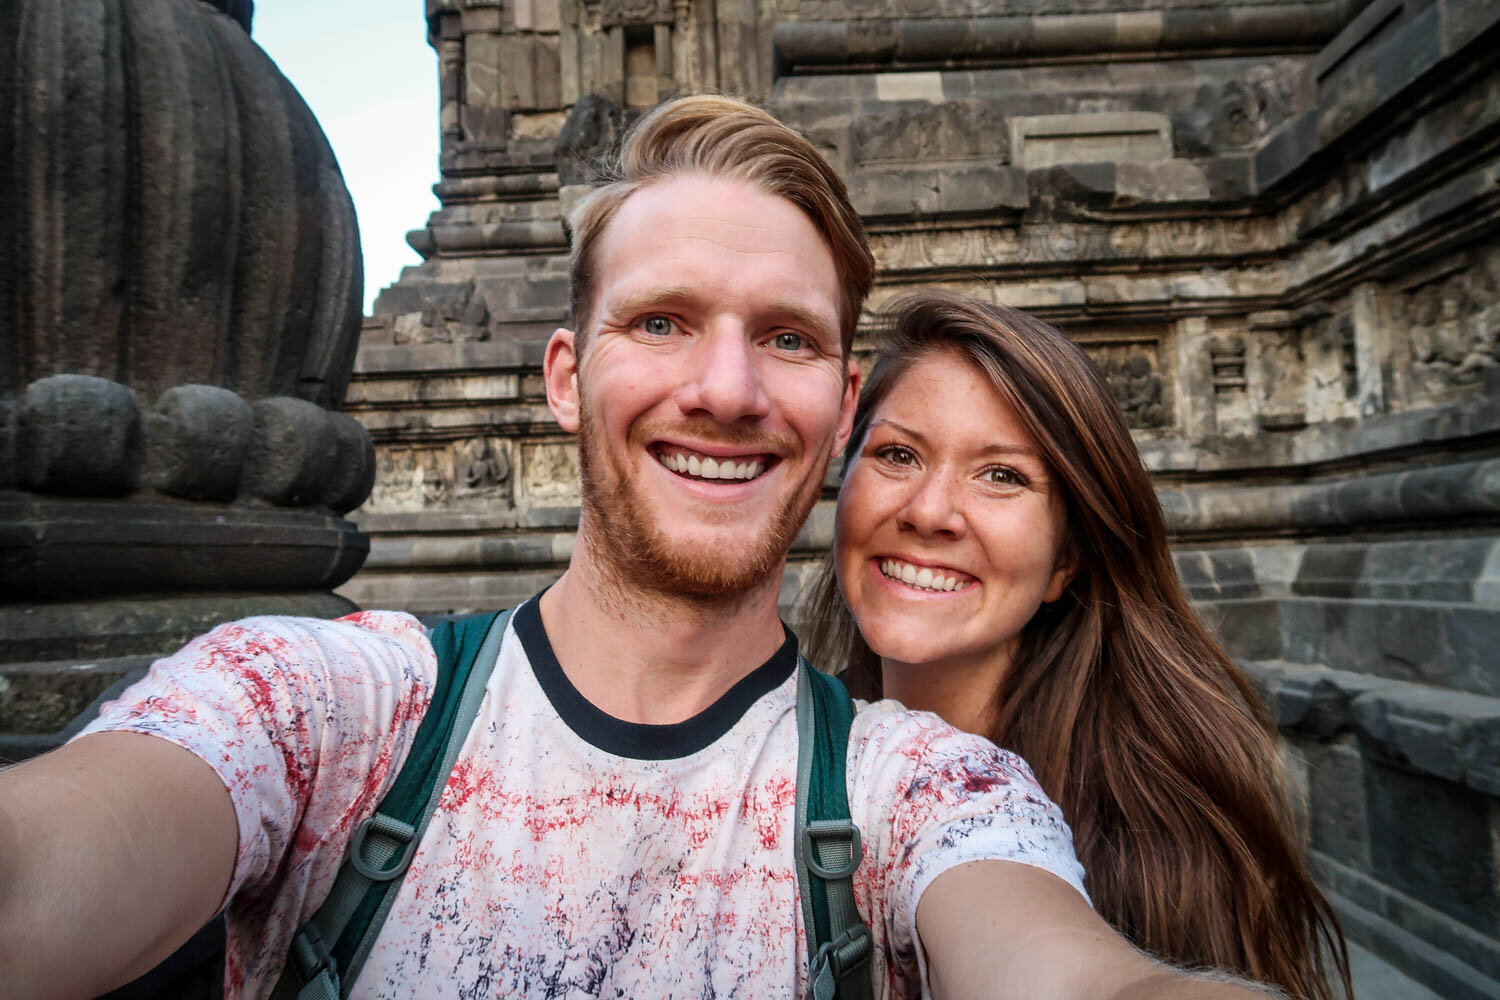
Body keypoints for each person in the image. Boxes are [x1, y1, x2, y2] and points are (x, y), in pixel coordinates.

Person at [1, 97, 1282, 1000]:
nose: (725, 387)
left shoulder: (930, 792)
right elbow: (46, 863)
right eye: (663, 320)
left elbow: (1067, 966)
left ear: (836, 406)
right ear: (566, 374)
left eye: (784, 337)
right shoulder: (331, 709)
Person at [804, 293, 1353, 1000]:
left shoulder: (1164, 829)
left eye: (1002, 475)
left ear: (1067, 560)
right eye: (897, 453)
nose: (930, 511)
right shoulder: (776, 757)